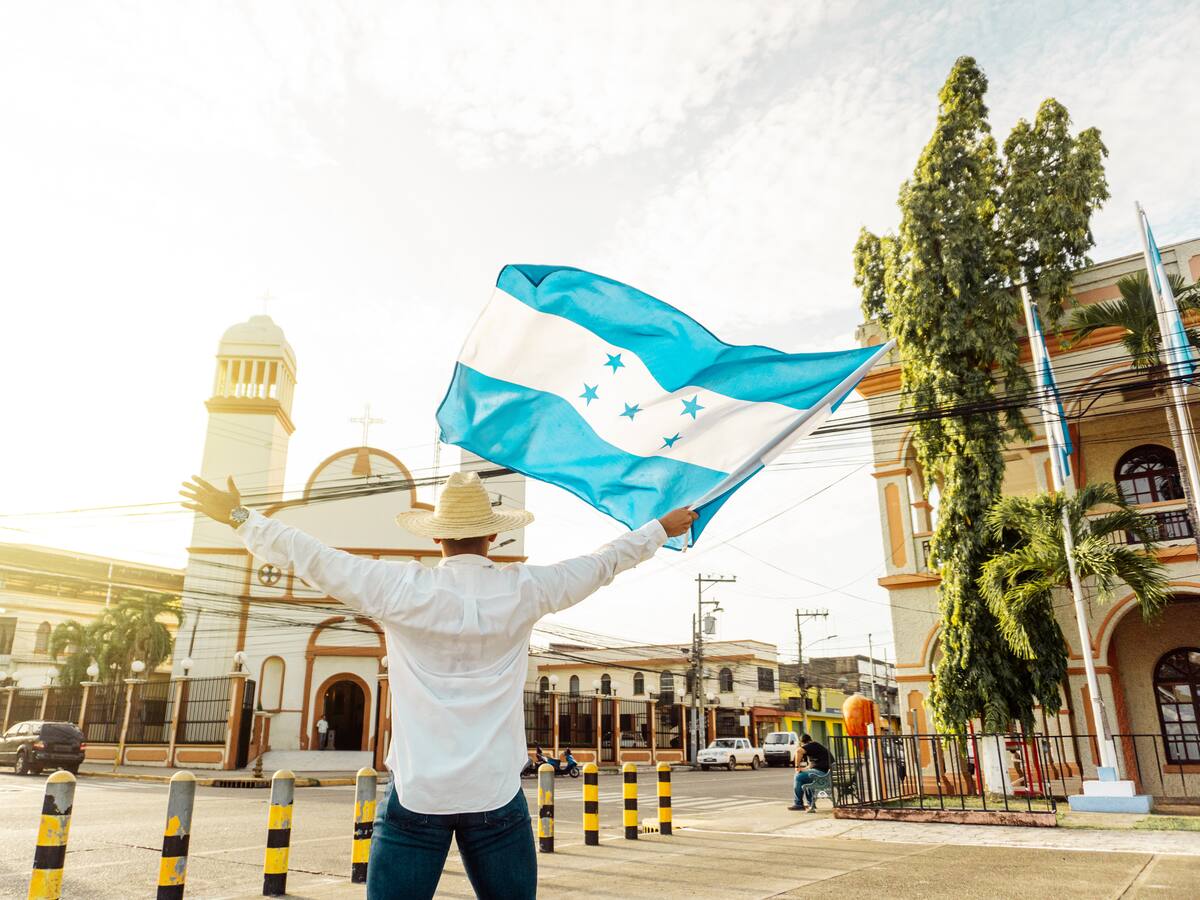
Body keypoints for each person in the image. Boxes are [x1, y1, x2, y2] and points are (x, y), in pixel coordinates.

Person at [180, 469, 695, 900]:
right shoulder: (527, 589)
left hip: (418, 795)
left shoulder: (400, 586)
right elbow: (603, 563)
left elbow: (313, 558)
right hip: (495, 795)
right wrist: (660, 529)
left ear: (436, 537)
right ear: (492, 537)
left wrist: (240, 517)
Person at [789, 732, 832, 813]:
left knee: (798, 777)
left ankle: (798, 804)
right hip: (826, 773)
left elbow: (798, 751)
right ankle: (811, 803)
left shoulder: (811, 745)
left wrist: (797, 767)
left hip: (823, 774)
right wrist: (803, 769)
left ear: (802, 742)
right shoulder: (816, 748)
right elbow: (812, 766)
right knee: (805, 777)